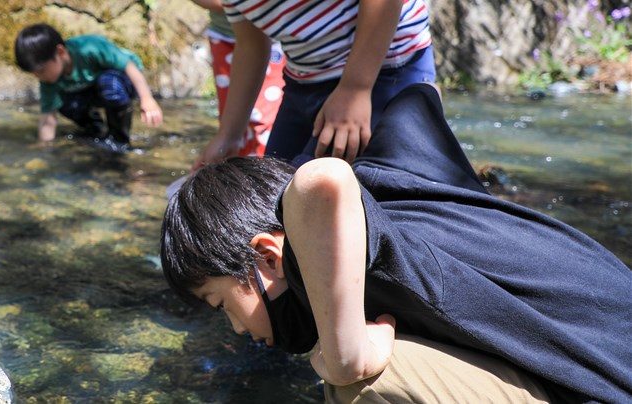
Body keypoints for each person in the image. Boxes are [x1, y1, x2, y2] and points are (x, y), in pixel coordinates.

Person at [162, 83, 632, 403]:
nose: (236, 329)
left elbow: (320, 180)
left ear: (268, 254)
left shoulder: (319, 254)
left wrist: (348, 358)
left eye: (219, 302)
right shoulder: (398, 185)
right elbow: (418, 98)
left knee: (366, 381)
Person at [193, 0, 435, 170]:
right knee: (275, 195)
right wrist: (229, 135)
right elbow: (251, 45)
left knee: (315, 196)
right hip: (304, 79)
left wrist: (355, 89)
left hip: (381, 68)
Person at [14, 23, 163, 152]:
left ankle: (119, 139)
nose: (39, 77)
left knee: (109, 83)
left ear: (60, 52)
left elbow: (129, 67)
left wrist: (147, 98)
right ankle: (96, 130)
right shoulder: (49, 81)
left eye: (41, 70)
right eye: (34, 73)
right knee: (63, 103)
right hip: (92, 89)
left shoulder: (89, 48)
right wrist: (44, 146)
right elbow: (48, 118)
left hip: (126, 81)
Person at [191, 0, 286, 157]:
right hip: (225, 36)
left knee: (262, 121)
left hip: (273, 38)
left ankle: (262, 170)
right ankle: (238, 171)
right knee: (231, 118)